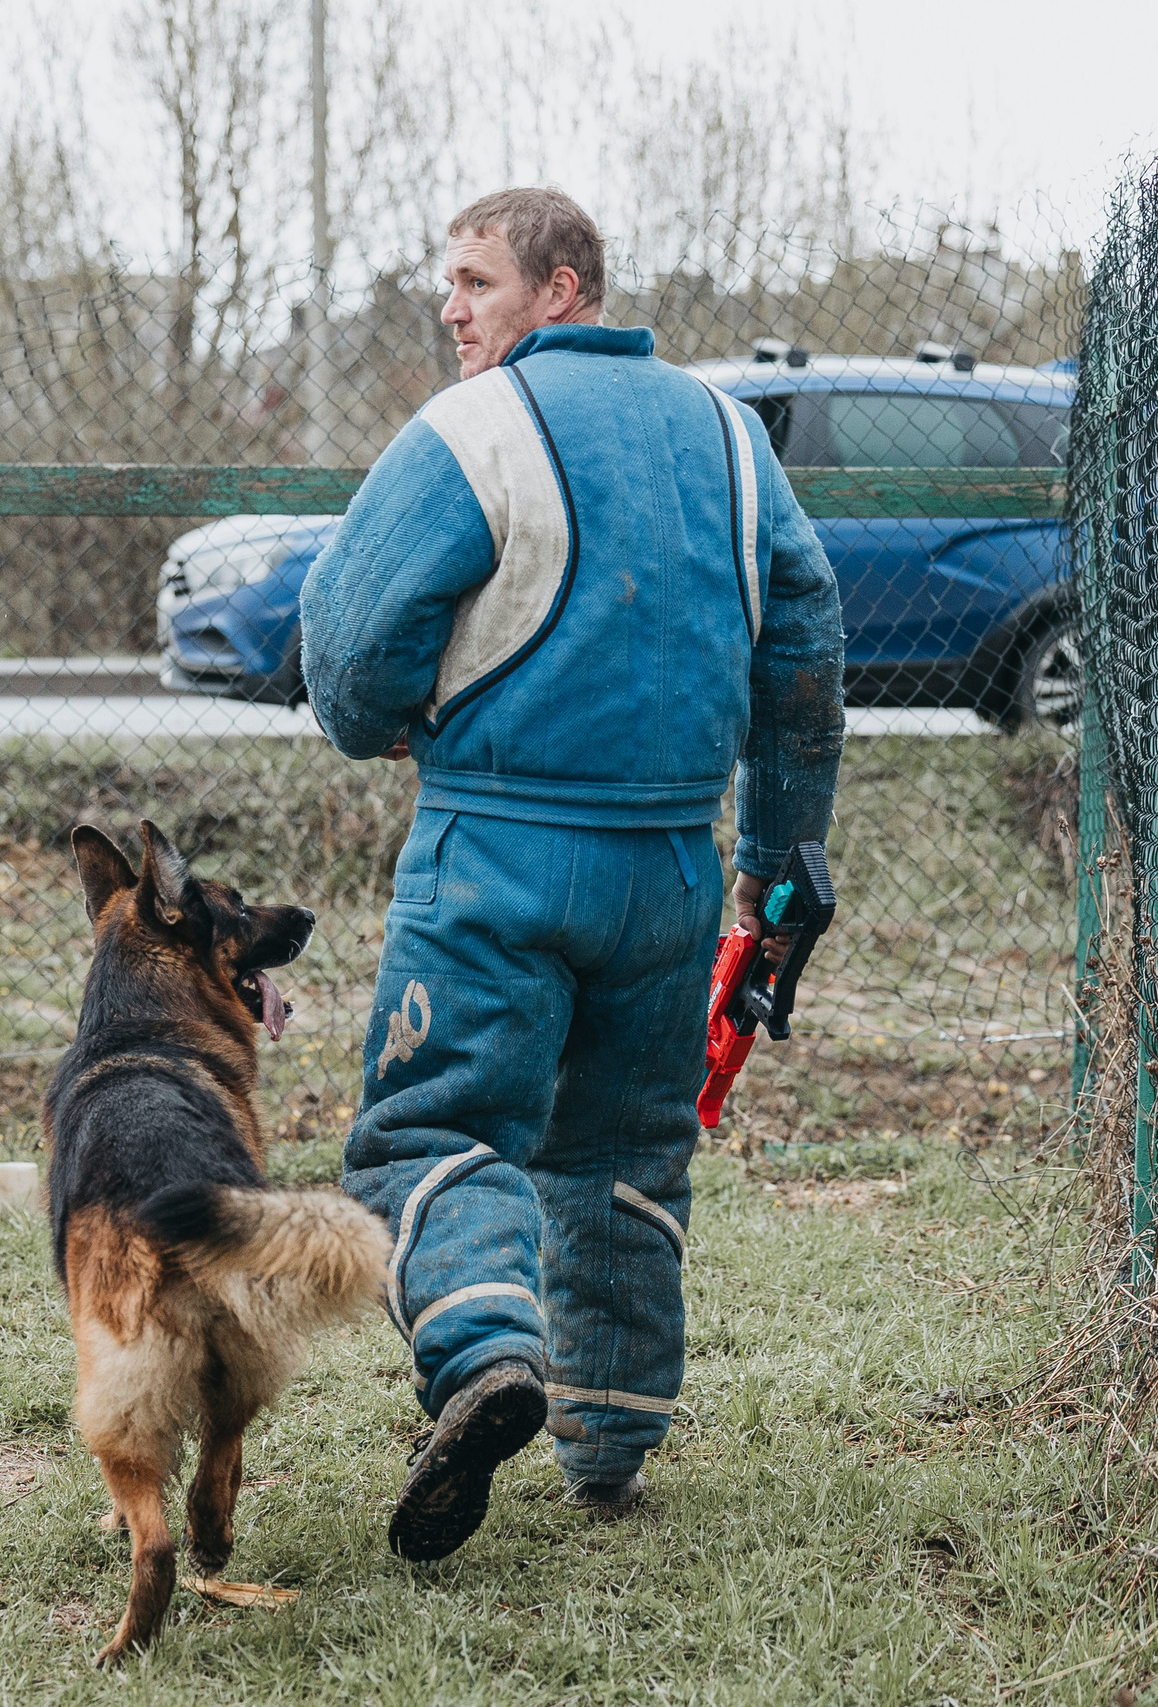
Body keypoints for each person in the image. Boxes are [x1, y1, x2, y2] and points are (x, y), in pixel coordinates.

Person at [299, 186, 846, 1562]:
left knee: (431, 1131)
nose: (452, 308)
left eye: (477, 281)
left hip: (498, 854)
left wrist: (391, 717)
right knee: (626, 1144)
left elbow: (347, 655)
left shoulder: (473, 428)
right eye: (450, 282)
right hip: (671, 871)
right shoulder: (731, 435)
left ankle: (485, 1349)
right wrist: (777, 867)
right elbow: (806, 655)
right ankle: (611, 1436)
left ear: (563, 289)